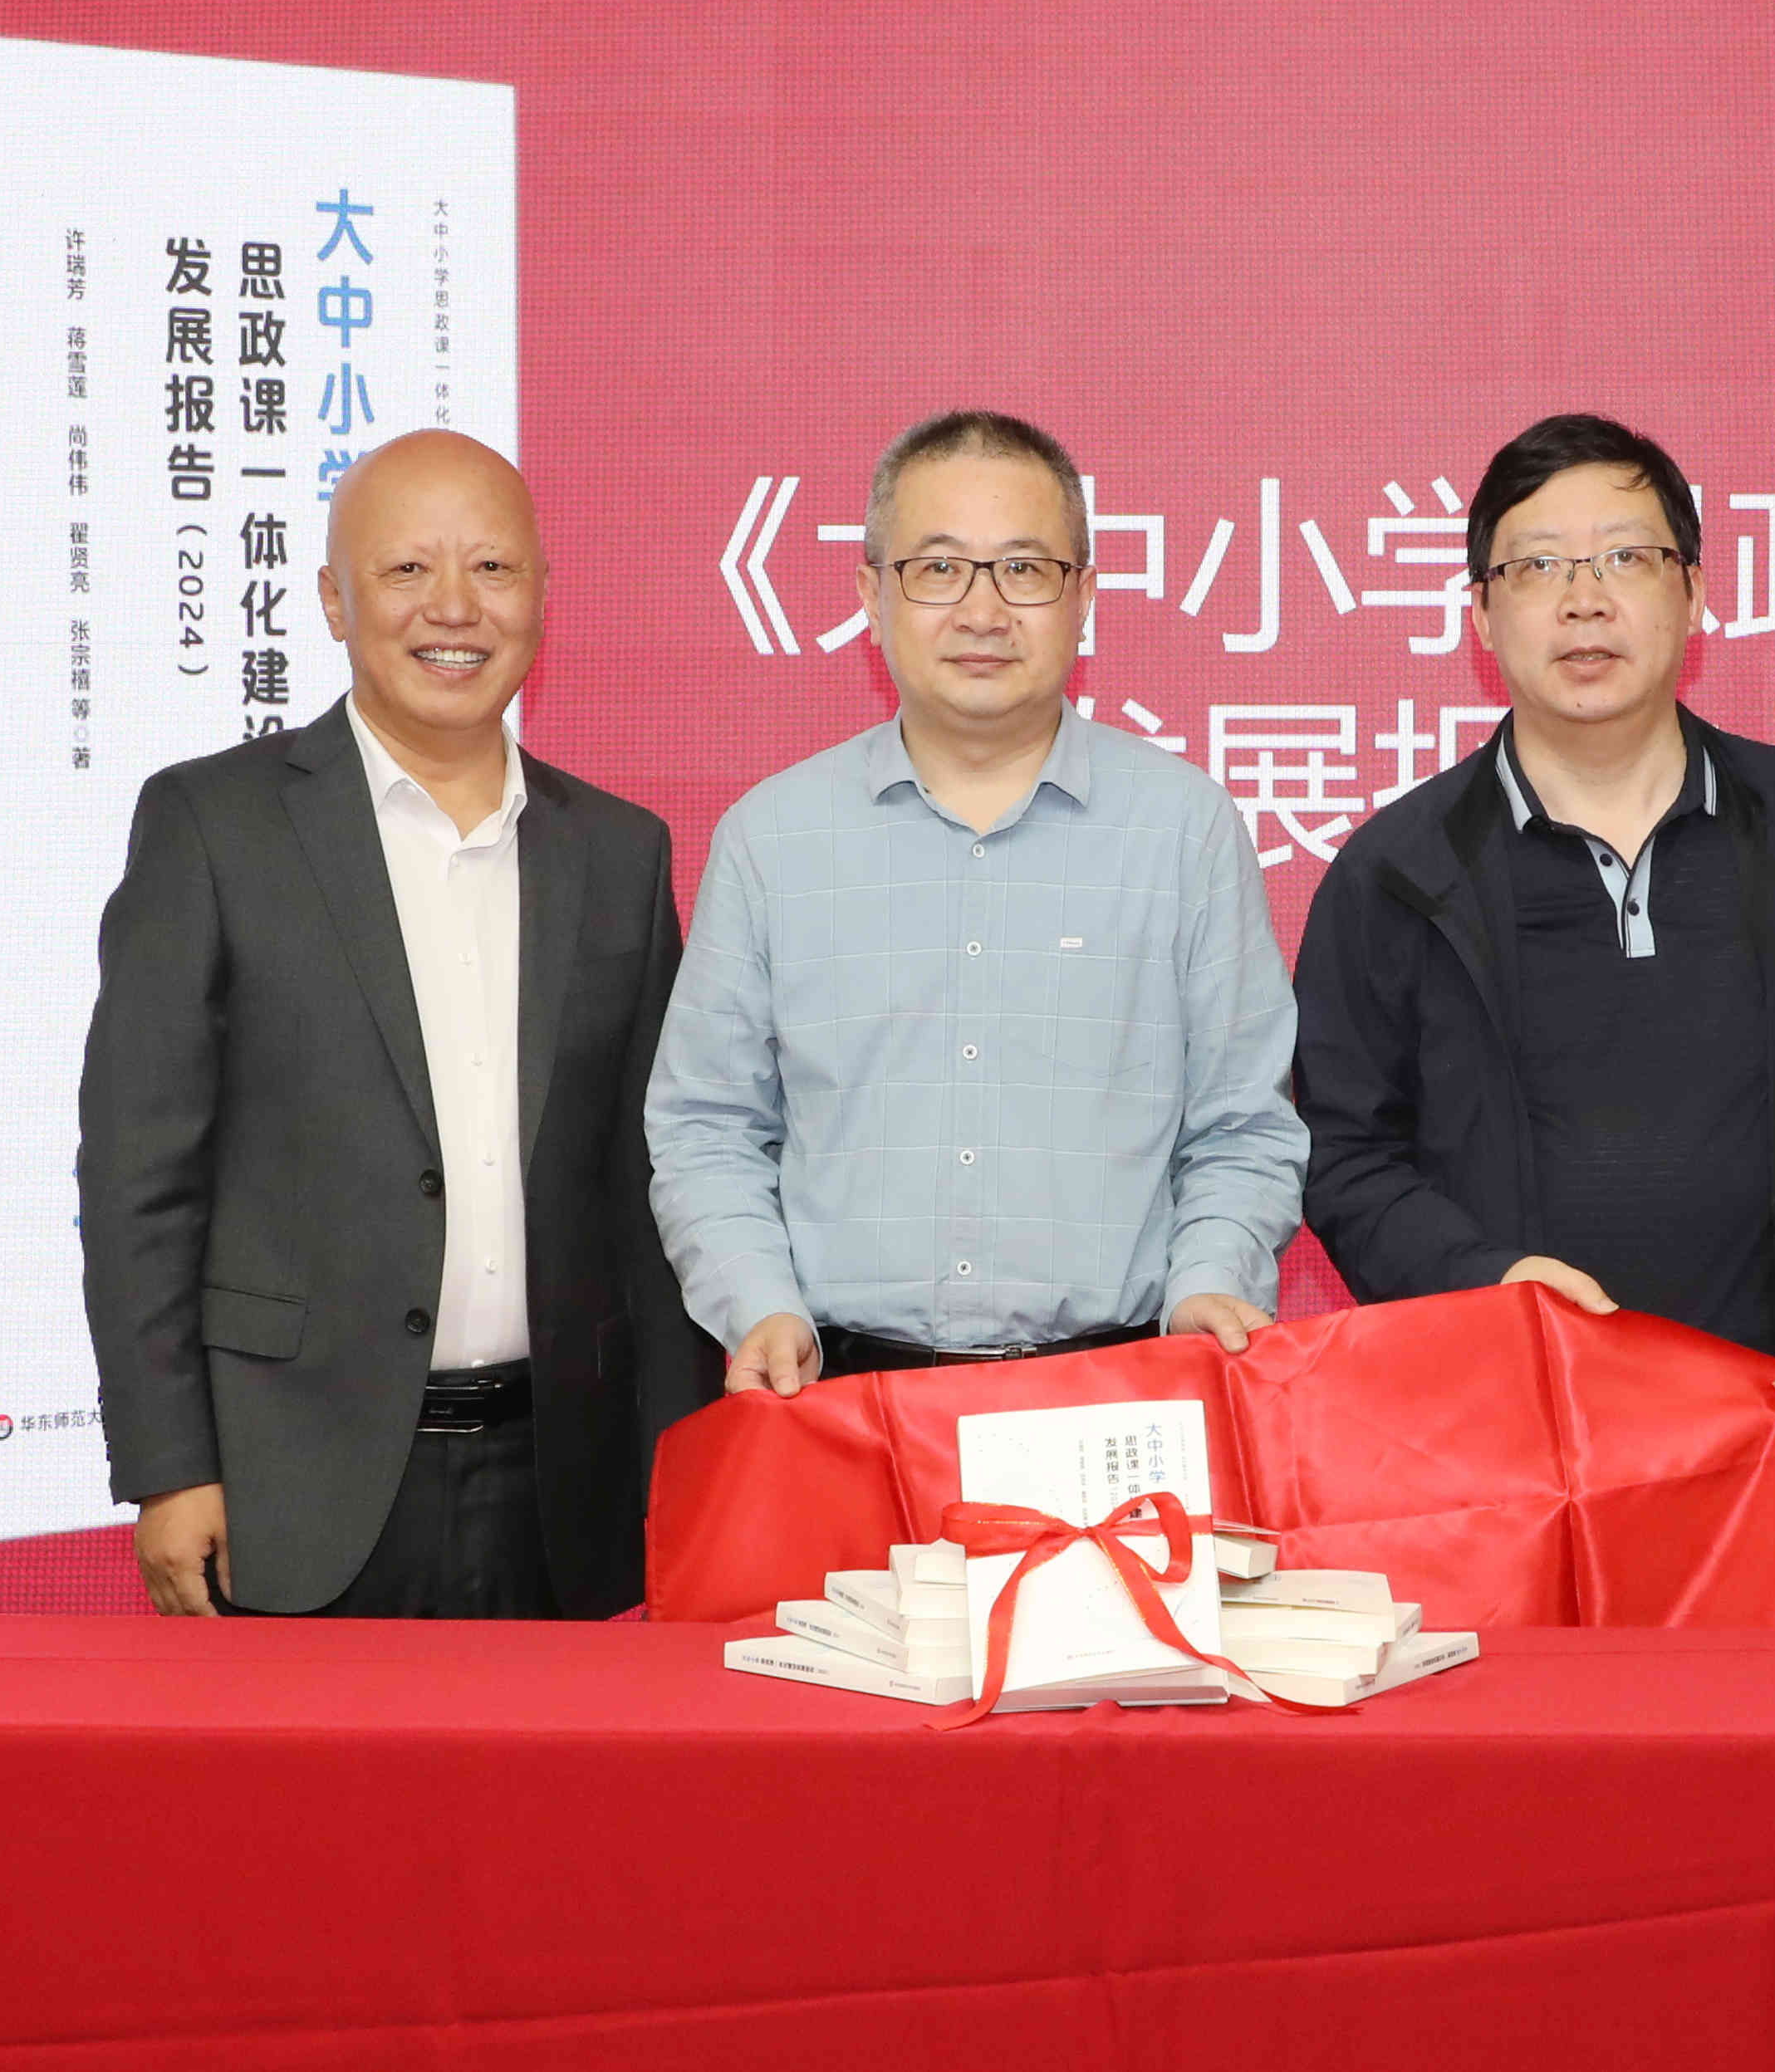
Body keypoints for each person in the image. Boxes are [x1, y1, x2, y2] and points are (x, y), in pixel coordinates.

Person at [1294, 413, 1775, 1535]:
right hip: (1492, 1464)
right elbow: (1343, 1154)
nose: (1584, 599)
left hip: (1769, 1438)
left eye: (1624, 557)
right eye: (1538, 565)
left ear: (1693, 591)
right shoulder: (1396, 871)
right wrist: (1486, 1279)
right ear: (1480, 613)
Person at [78, 430, 705, 1618]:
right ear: (333, 597)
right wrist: (168, 1464)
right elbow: (137, 1178)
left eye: (493, 568)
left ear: (543, 594)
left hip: (563, 1492)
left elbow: (650, 1186)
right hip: (289, 1480)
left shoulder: (619, 853)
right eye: (407, 569)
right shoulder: (214, 826)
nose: (454, 607)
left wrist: (681, 1463)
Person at [650, 409, 1304, 1393]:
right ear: (872, 593)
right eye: (939, 568)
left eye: (1024, 569)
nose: (983, 611)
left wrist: (1210, 1281)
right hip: (837, 1396)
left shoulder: (1185, 830)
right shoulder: (772, 839)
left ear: (1083, 596)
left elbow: (1242, 1125)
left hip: (1116, 1393)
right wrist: (759, 1305)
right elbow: (708, 1126)